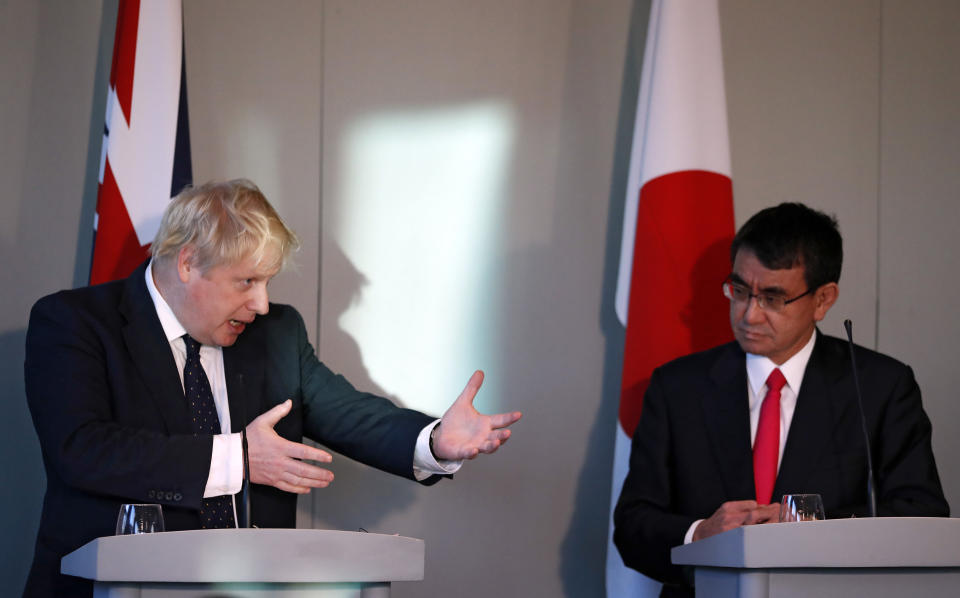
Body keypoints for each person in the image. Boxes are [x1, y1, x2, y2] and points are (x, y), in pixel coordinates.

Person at [23, 180, 522, 597]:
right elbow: (82, 449)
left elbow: (347, 411)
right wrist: (239, 458)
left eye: (268, 282)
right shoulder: (74, 323)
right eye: (246, 282)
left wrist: (433, 441)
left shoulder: (275, 333)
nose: (262, 304)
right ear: (188, 263)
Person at [613, 202, 948, 597]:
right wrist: (699, 534)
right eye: (739, 290)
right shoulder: (678, 387)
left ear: (823, 299)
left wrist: (809, 530)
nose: (749, 315)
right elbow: (633, 525)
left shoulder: (879, 386)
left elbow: (920, 514)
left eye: (772, 298)